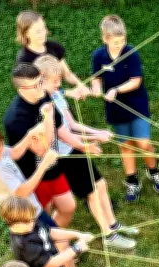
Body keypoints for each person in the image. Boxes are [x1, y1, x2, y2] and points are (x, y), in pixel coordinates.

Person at [34, 55, 139, 250]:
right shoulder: (43, 106)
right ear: (41, 79)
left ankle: (113, 225)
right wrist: (89, 141)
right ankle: (108, 235)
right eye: (55, 81)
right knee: (91, 192)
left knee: (100, 184)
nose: (59, 85)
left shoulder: (56, 96)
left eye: (60, 80)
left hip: (73, 148)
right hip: (64, 157)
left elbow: (72, 124)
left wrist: (97, 132)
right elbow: (61, 134)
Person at [90, 15, 159, 201]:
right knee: (126, 145)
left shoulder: (131, 53)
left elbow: (136, 81)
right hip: (116, 109)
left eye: (122, 40)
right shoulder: (98, 56)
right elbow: (96, 78)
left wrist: (116, 90)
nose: (120, 45)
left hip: (136, 104)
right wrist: (96, 88)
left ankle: (153, 171)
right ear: (105, 39)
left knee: (143, 142)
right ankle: (132, 181)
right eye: (116, 42)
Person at [4, 63, 76, 228]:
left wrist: (82, 144)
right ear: (21, 90)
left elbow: (59, 126)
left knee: (68, 207)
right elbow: (42, 150)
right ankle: (50, 240)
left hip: (53, 167)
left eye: (41, 82)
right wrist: (48, 118)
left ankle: (55, 237)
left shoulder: (44, 95)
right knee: (43, 215)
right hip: (34, 175)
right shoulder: (16, 118)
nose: (41, 88)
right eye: (35, 86)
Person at [0, 124, 59, 228]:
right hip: (27, 215)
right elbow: (23, 192)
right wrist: (44, 165)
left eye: (1, 143)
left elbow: (14, 152)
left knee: (54, 234)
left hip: (27, 210)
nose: (2, 149)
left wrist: (30, 134)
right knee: (55, 234)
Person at [15, 10, 91, 98]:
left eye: (44, 28)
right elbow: (33, 91)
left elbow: (67, 74)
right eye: (38, 31)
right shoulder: (24, 59)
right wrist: (67, 93)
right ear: (26, 33)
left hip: (58, 100)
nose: (43, 33)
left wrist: (80, 85)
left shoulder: (54, 47)